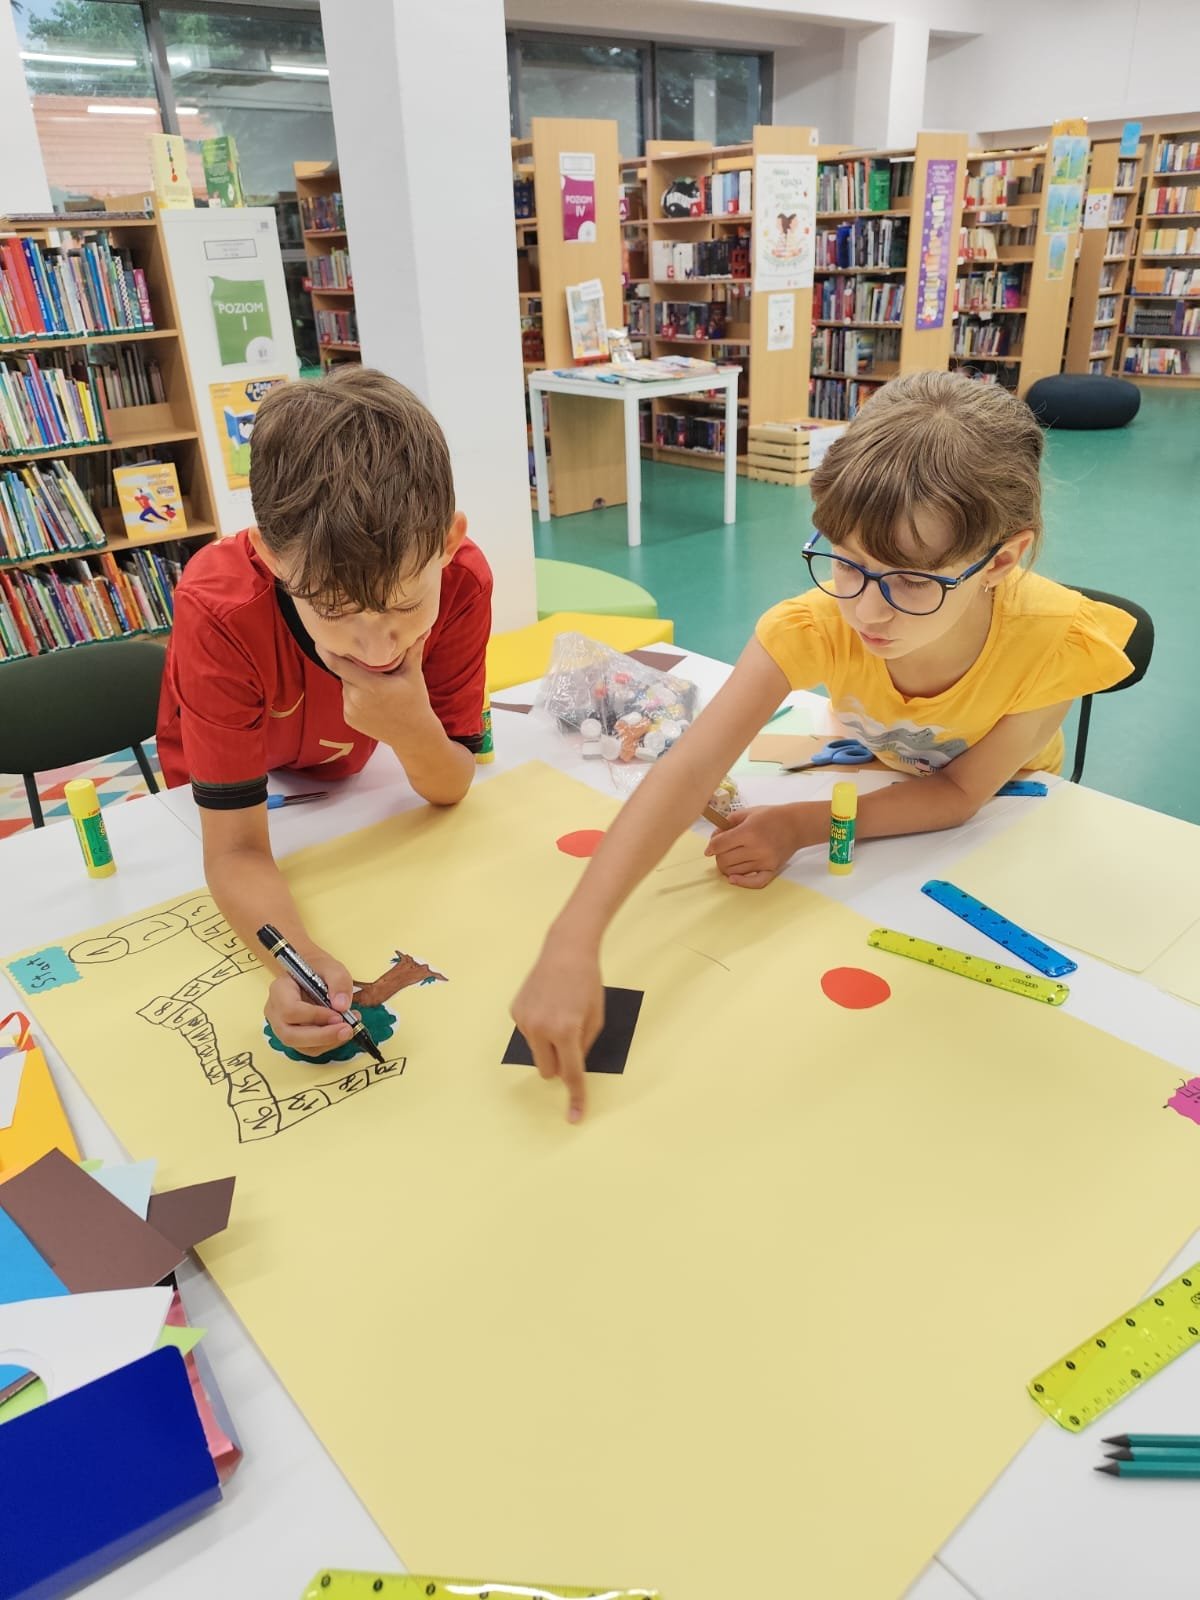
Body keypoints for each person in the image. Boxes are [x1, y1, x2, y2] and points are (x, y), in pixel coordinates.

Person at [511, 370, 1135, 1122]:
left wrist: (801, 825)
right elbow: (689, 768)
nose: (866, 611)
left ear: (1001, 560)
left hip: (1002, 823)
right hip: (880, 784)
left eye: (911, 582)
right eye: (845, 562)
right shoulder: (816, 623)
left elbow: (960, 792)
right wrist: (574, 937)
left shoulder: (1054, 641)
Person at [157, 367, 492, 1056]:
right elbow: (235, 850)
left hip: (353, 785)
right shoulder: (217, 607)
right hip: (251, 788)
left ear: (449, 541)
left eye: (404, 606)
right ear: (272, 559)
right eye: (336, 613)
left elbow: (451, 784)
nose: (379, 648)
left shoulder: (462, 581)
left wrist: (410, 728)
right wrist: (299, 962)